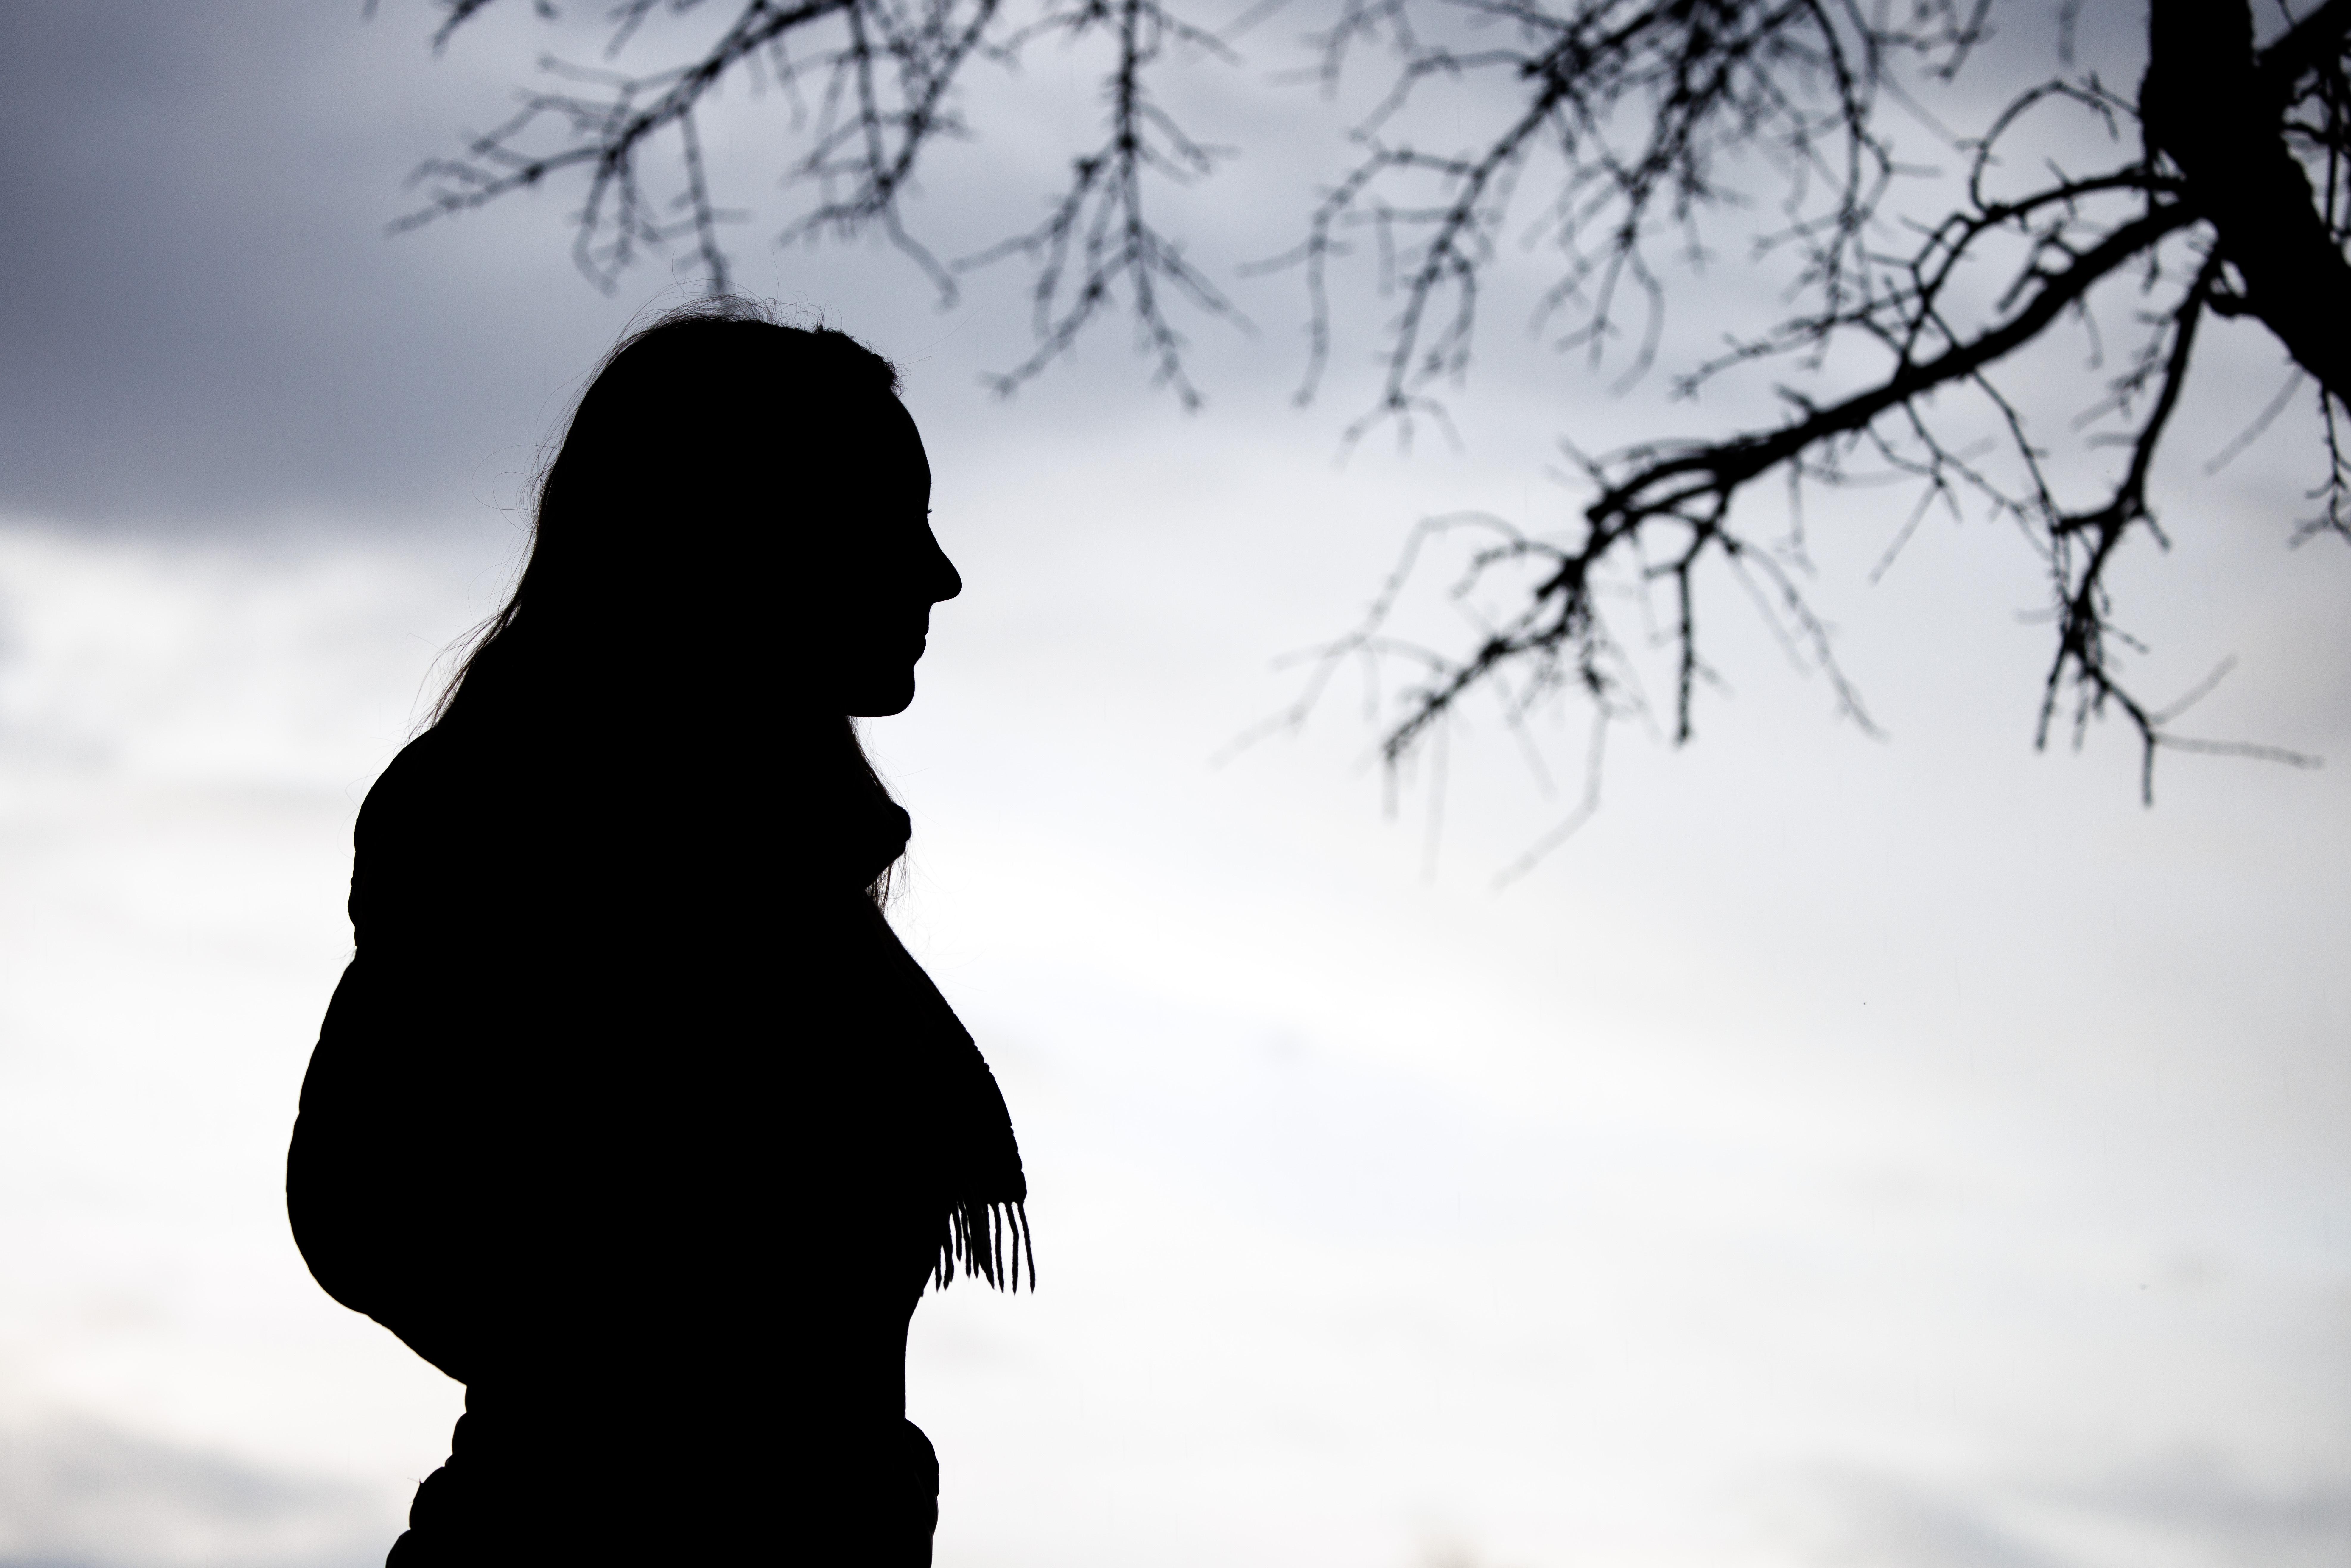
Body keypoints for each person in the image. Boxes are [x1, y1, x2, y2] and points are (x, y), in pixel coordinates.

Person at [285, 301, 1029, 1564]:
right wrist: (685, 1415)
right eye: (892, 520)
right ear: (750, 535)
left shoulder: (783, 879)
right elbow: (367, 1206)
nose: (939, 572)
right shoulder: (540, 824)